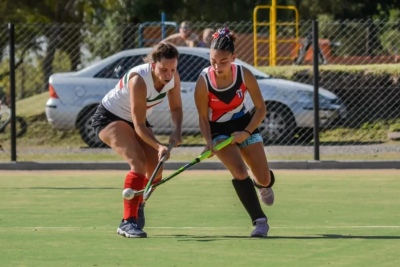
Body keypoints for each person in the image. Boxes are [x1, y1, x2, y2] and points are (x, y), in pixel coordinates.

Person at [91, 42, 183, 238]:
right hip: (110, 117)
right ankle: (127, 222)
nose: (168, 74)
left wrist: (177, 130)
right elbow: (139, 126)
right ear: (152, 65)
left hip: (135, 119)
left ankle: (137, 202)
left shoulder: (173, 78)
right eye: (163, 69)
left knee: (155, 170)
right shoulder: (138, 81)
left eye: (173, 69)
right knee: (138, 162)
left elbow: (176, 108)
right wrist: (159, 146)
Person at [194, 27, 276, 238]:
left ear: (233, 57)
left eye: (223, 61)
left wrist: (246, 133)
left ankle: (262, 184)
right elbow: (203, 118)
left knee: (264, 178)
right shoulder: (203, 82)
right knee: (240, 172)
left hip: (243, 124)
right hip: (218, 130)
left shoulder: (243, 74)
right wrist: (208, 141)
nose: (217, 66)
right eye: (213, 61)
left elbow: (260, 109)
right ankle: (260, 221)